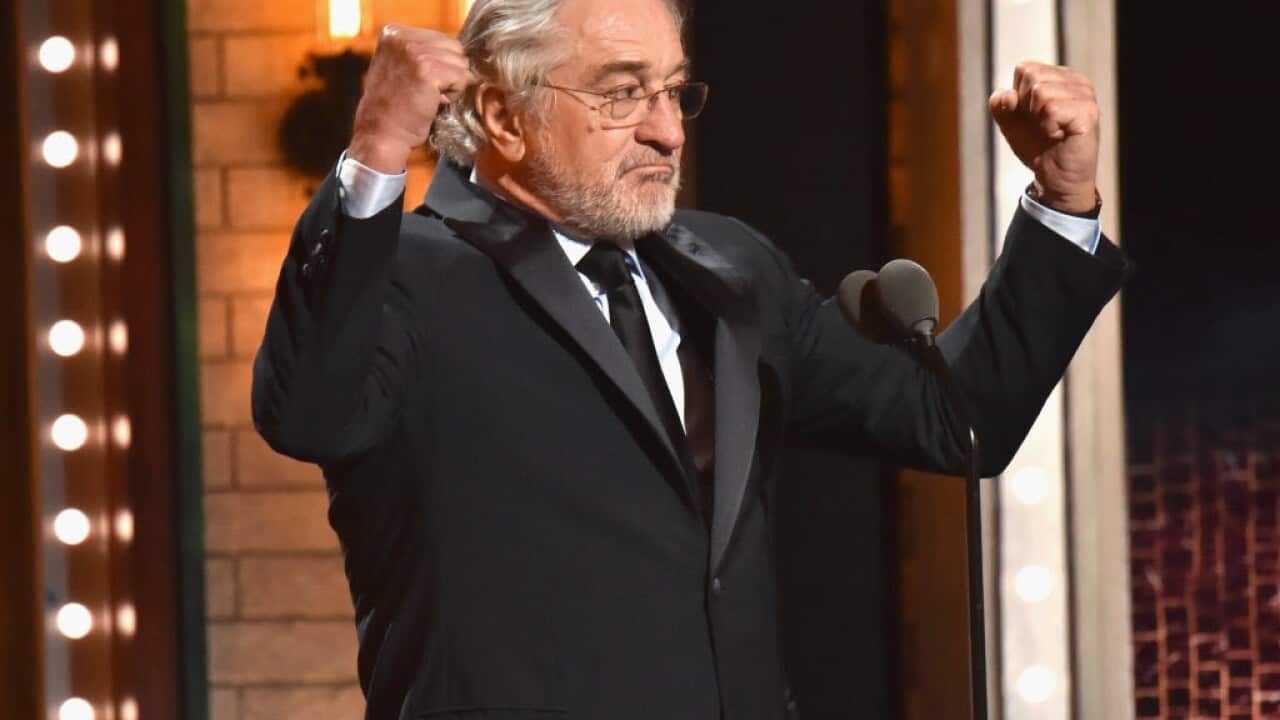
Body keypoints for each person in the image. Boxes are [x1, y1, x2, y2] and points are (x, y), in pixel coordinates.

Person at [250, 0, 1127, 717]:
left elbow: (951, 419)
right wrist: (374, 149)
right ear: (501, 114)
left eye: (674, 91)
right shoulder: (406, 273)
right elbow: (308, 410)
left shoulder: (731, 270)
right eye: (624, 94)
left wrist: (1061, 200)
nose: (669, 132)